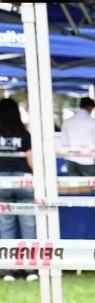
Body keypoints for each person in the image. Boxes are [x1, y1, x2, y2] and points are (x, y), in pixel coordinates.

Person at [0, 97, 35, 282]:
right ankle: (30, 269)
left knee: (5, 226)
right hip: (24, 180)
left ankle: (8, 270)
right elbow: (31, 161)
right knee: (29, 225)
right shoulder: (24, 134)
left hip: (1, 181)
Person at [58, 97, 95, 177]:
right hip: (88, 160)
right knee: (91, 186)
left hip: (71, 159)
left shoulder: (67, 122)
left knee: (75, 186)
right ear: (91, 107)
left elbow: (64, 142)